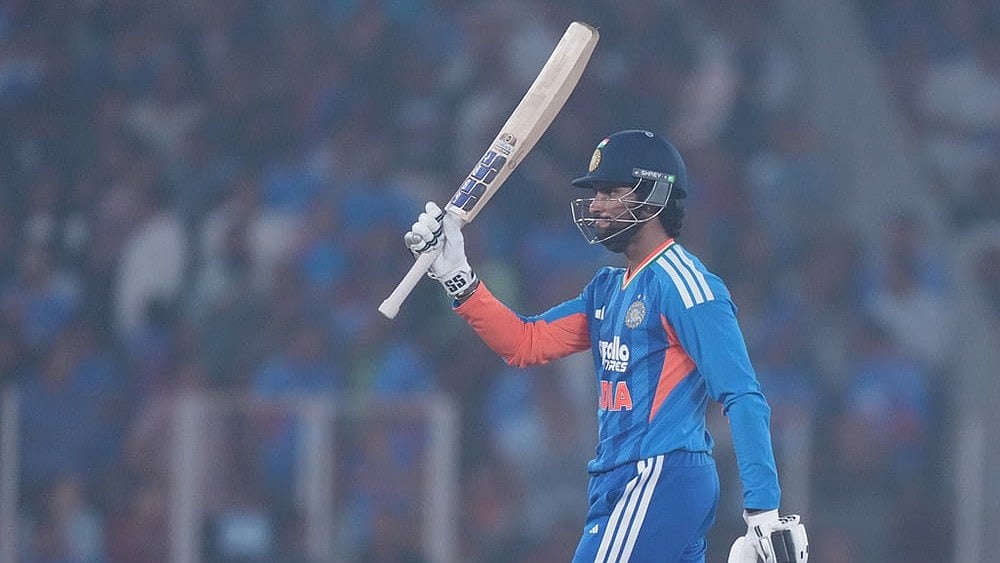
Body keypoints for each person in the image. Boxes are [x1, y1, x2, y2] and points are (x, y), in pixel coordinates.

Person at [404, 129, 808, 562]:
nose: (595, 205)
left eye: (611, 192)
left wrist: (762, 508)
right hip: (617, 482)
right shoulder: (606, 289)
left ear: (653, 195)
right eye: (596, 193)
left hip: (658, 474)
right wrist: (457, 275)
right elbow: (525, 342)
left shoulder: (687, 286)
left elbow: (741, 394)